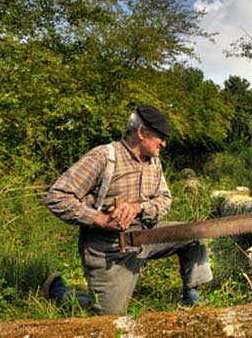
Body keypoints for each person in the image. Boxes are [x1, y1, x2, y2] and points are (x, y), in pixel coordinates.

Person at [44, 105, 213, 314]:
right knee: (108, 316)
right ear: (141, 132)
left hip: (145, 234)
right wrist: (99, 219)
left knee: (194, 233)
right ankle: (59, 291)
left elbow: (165, 199)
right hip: (109, 247)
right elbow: (56, 196)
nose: (164, 143)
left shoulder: (155, 162)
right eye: (160, 136)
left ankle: (191, 295)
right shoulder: (103, 157)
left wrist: (139, 208)